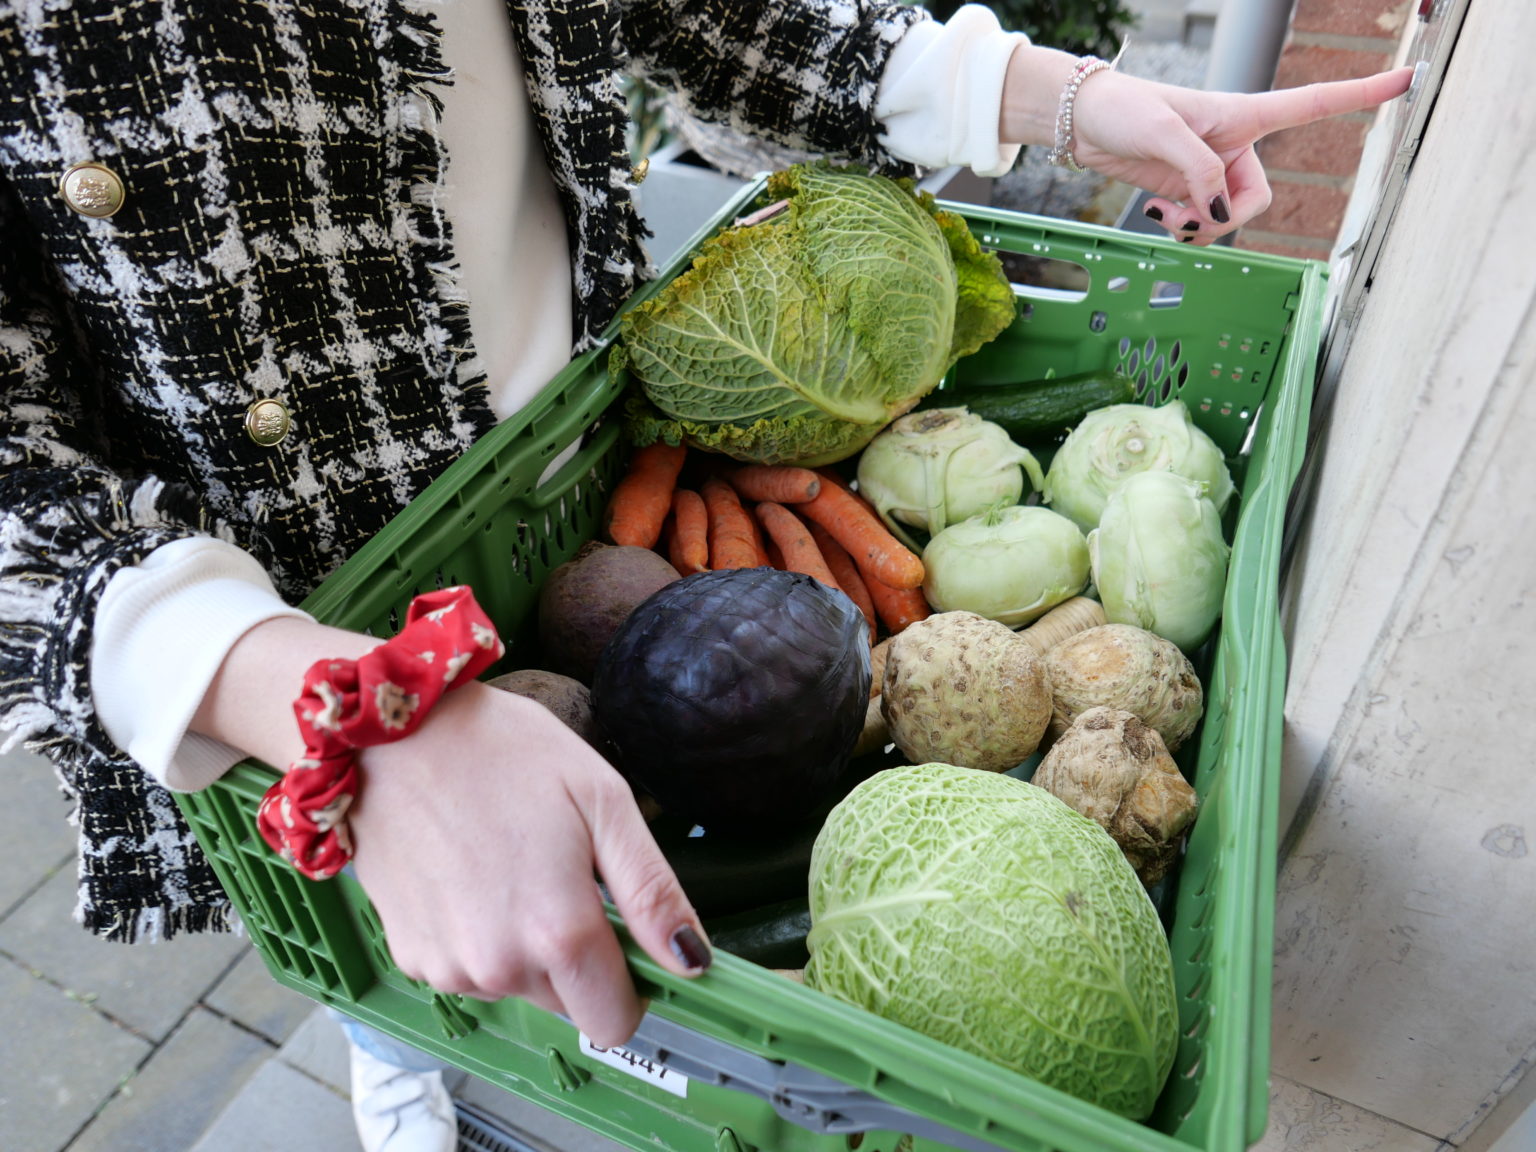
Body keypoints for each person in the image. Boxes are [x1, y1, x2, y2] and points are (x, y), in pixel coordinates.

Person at [0, 1, 1410, 1148]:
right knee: (396, 962)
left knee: (595, 876)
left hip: (596, 460)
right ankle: (399, 1060)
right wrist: (339, 704)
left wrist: (1045, 97)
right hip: (284, 624)